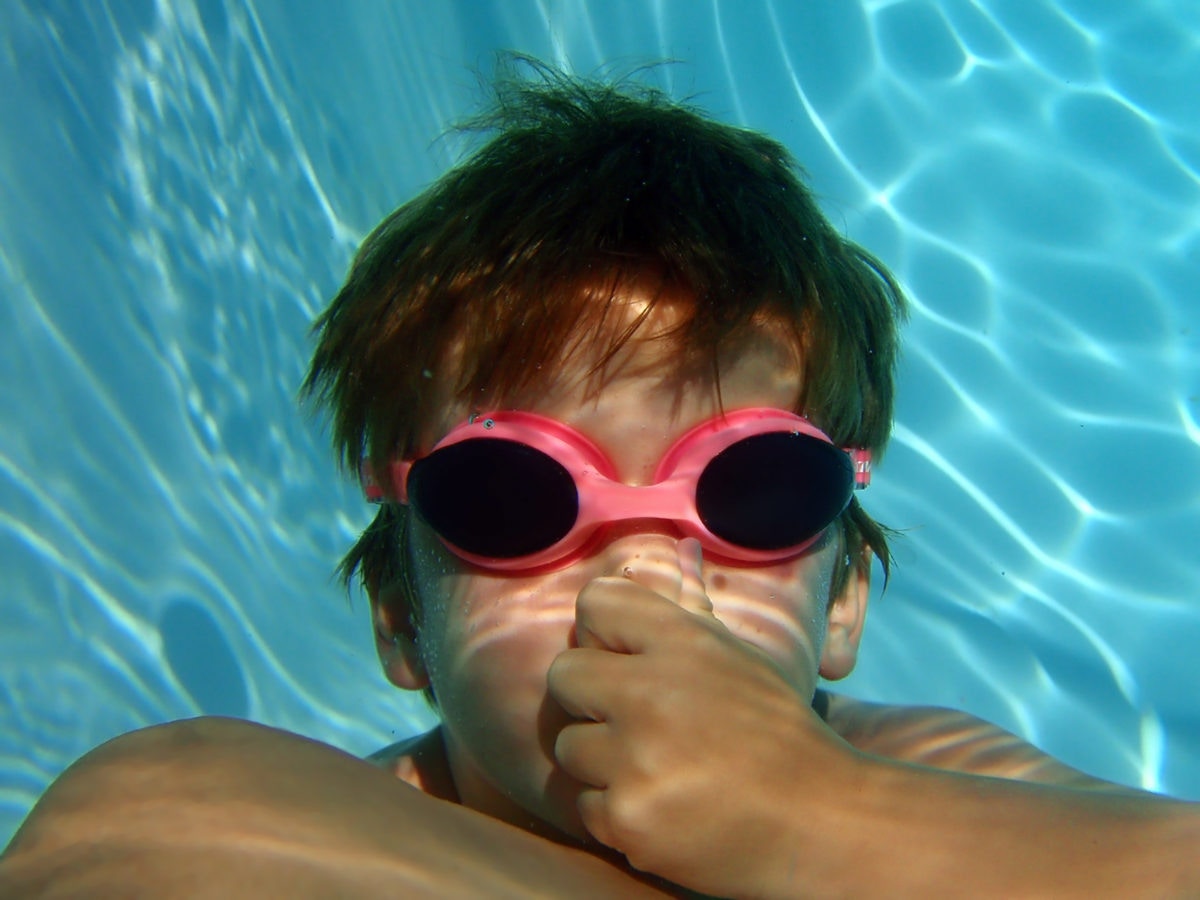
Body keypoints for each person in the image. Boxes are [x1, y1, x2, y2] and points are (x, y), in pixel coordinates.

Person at [2, 60, 1196, 898]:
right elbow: (129, 840)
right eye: (514, 499)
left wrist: (825, 817)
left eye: (754, 491)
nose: (643, 579)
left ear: (842, 604)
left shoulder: (920, 775)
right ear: (400, 623)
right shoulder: (293, 818)